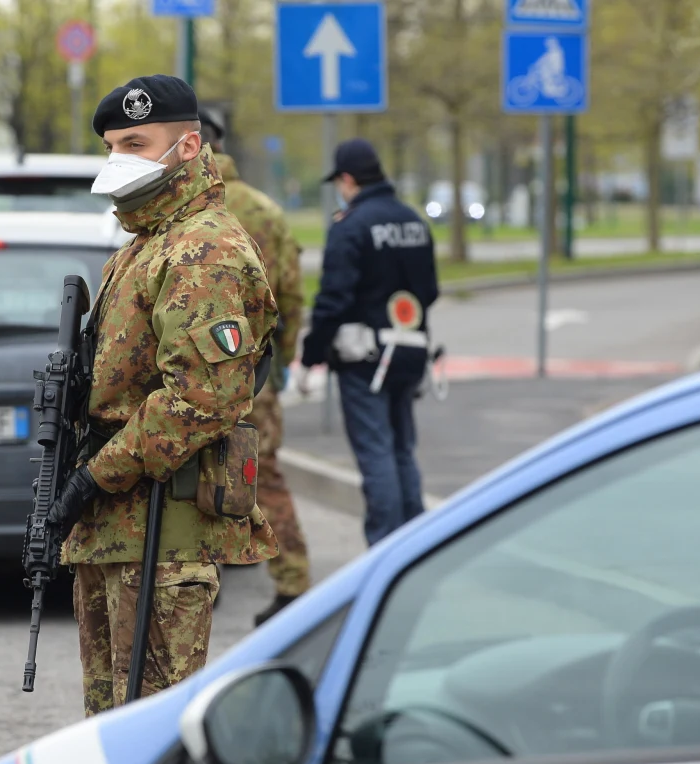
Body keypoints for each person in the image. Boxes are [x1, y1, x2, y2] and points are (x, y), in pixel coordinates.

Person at [45, 75, 280, 717]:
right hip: (116, 528)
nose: (120, 158)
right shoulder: (143, 246)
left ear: (186, 147)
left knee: (153, 728)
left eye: (137, 142)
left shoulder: (204, 250)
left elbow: (204, 398)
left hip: (161, 530)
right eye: (112, 145)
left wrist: (95, 476)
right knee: (109, 721)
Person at [197, 106, 310, 627]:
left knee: (193, 477)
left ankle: (201, 581)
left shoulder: (182, 206)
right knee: (263, 477)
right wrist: (281, 361)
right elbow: (290, 293)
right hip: (254, 373)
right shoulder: (263, 209)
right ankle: (293, 584)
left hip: (192, 374)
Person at [299, 138, 439, 548]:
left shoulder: (352, 225)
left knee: (376, 452)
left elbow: (333, 300)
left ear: (348, 179)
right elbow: (428, 292)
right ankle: (416, 543)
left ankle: (385, 550)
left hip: (365, 359)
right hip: (411, 351)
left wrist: (311, 355)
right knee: (402, 448)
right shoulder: (413, 221)